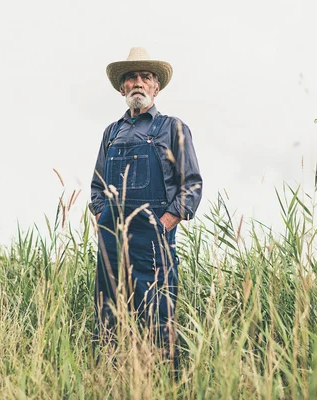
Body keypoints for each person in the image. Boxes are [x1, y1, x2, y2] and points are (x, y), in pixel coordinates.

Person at [89, 47, 203, 364]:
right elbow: (97, 186)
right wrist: (102, 217)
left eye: (145, 76)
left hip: (153, 237)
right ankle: (113, 376)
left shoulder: (173, 128)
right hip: (111, 237)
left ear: (156, 87)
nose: (138, 82)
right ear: (123, 87)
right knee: (109, 311)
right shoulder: (111, 133)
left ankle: (165, 380)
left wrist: (164, 223)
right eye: (131, 77)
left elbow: (192, 185)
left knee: (158, 312)